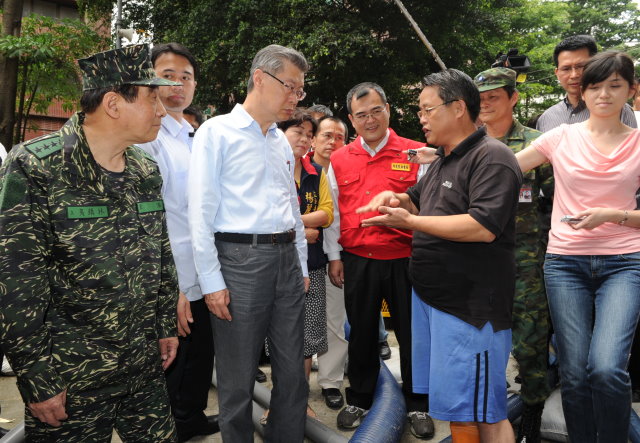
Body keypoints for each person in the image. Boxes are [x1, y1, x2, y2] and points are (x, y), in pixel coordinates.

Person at [0, 44, 181, 442]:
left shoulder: (144, 169)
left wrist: (164, 323)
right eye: (153, 99)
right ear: (114, 104)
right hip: (70, 377)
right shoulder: (35, 167)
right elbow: (15, 284)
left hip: (141, 368)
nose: (162, 111)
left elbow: (161, 255)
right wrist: (37, 377)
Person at [361, 69, 522, 443]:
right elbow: (416, 198)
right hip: (435, 301)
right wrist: (394, 198)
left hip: (471, 309)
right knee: (457, 408)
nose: (421, 118)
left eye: (427, 109)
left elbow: (483, 226)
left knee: (487, 411)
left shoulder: (492, 158)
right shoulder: (445, 159)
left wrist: (412, 221)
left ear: (458, 108)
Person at [516, 50, 640, 443]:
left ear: (631, 92)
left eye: (614, 86)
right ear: (582, 93)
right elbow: (500, 168)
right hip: (565, 264)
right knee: (572, 372)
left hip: (625, 263)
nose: (604, 94)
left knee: (606, 368)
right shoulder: (559, 137)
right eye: (595, 86)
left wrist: (612, 215)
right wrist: (447, 157)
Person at [188, 44, 310, 443]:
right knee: (238, 375)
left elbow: (290, 208)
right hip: (240, 262)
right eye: (290, 87)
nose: (295, 97)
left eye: (299, 90)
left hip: (286, 261)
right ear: (260, 78)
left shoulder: (278, 140)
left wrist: (302, 265)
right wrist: (211, 282)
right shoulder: (216, 132)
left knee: (293, 370)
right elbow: (200, 212)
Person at [324, 82, 432, 438]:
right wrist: (335, 256)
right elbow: (334, 214)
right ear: (351, 120)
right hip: (358, 260)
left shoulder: (417, 152)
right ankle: (360, 397)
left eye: (375, 111)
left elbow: (432, 207)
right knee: (363, 332)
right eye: (360, 115)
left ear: (388, 109)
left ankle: (418, 404)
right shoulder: (338, 159)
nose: (369, 120)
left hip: (407, 259)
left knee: (413, 334)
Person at [137, 42, 218, 443]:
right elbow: (152, 219)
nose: (177, 85)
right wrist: (171, 286)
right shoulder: (148, 139)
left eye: (185, 77)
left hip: (204, 270)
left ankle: (191, 418)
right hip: (170, 273)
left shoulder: (194, 135)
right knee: (172, 358)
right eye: (167, 76)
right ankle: (168, 426)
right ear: (150, 80)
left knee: (200, 354)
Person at [474, 67, 552, 443]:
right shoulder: (467, 145)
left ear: (513, 98)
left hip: (526, 263)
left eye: (494, 96)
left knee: (531, 344)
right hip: (480, 264)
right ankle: (492, 412)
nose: (486, 103)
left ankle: (532, 417)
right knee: (483, 343)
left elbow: (556, 201)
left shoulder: (540, 143)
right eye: (481, 96)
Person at [275, 108, 333, 418]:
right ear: (280, 133)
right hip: (278, 267)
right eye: (298, 132)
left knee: (308, 336)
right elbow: (267, 217)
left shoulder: (317, 173)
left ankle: (300, 401)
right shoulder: (271, 169)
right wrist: (302, 229)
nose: (305, 139)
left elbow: (327, 213)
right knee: (280, 338)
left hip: (312, 265)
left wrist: (294, 224)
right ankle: (279, 401)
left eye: (309, 134)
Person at [307, 114, 350, 410]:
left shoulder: (347, 167)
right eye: (326, 135)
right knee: (301, 325)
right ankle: (295, 386)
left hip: (335, 257)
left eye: (339, 137)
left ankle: (331, 381)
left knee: (335, 321)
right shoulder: (296, 167)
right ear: (313, 139)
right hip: (302, 261)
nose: (332, 142)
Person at [536, 34, 636, 132]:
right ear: (557, 73)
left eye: (580, 66)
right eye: (566, 68)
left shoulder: (620, 111)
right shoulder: (546, 118)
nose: (574, 75)